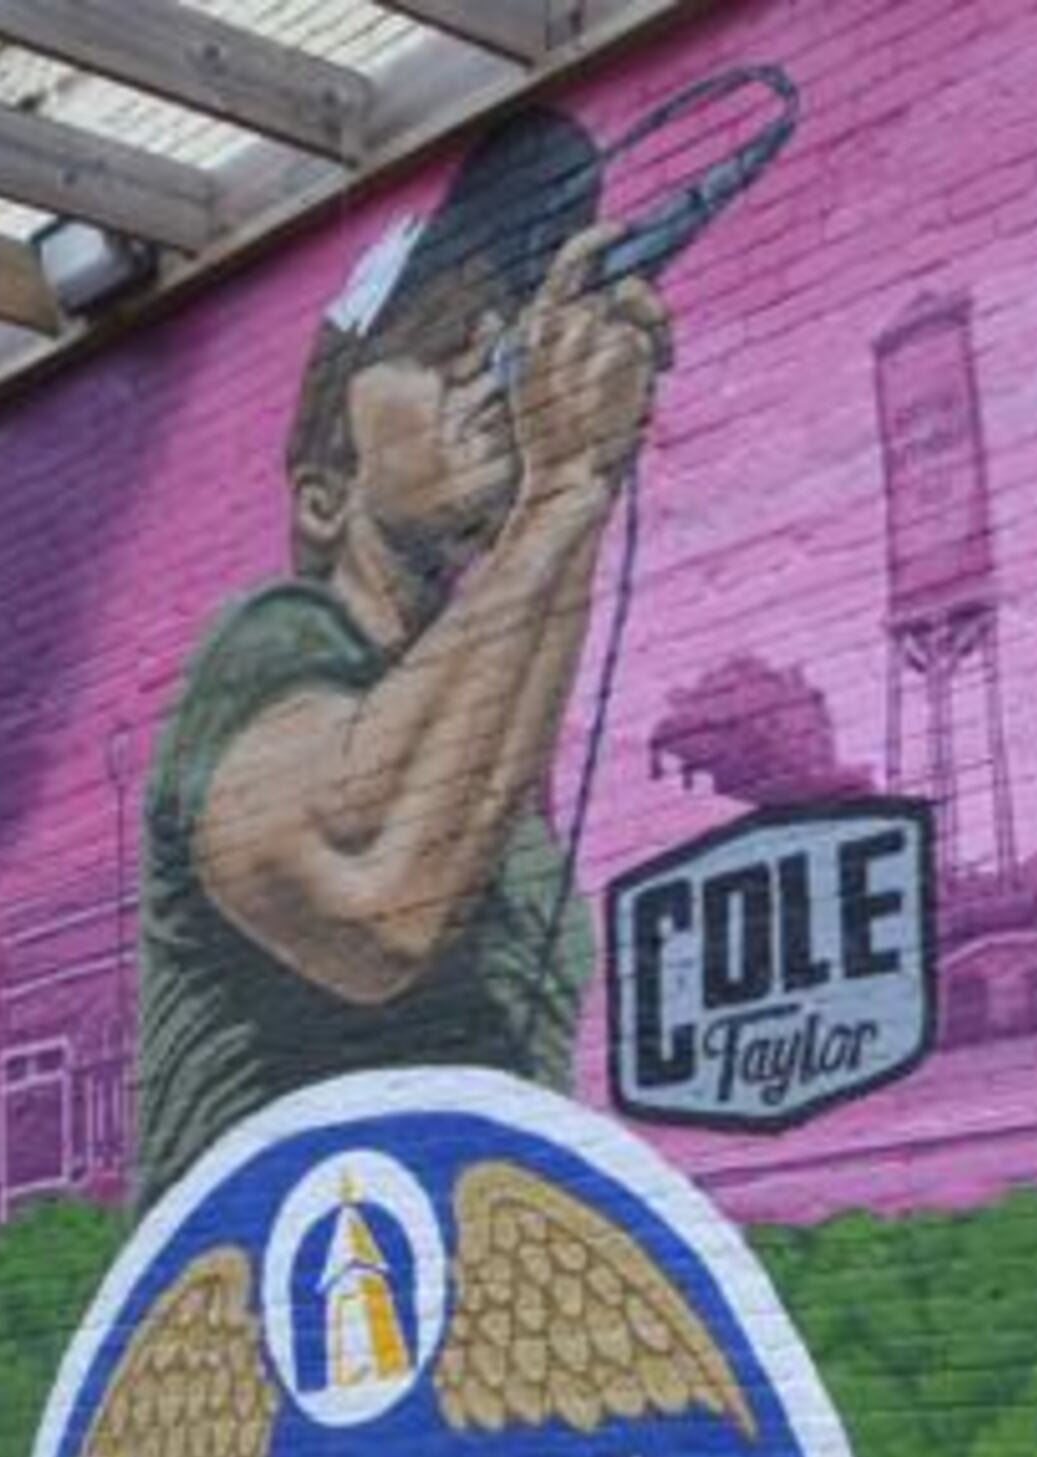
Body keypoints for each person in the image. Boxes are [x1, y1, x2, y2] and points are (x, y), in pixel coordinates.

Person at [134, 107, 670, 1201]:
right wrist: (565, 488)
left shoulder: (461, 719)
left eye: (501, 336)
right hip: (250, 1329)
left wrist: (584, 482)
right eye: (438, 348)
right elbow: (376, 906)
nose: (493, 374)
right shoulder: (267, 646)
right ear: (325, 494)